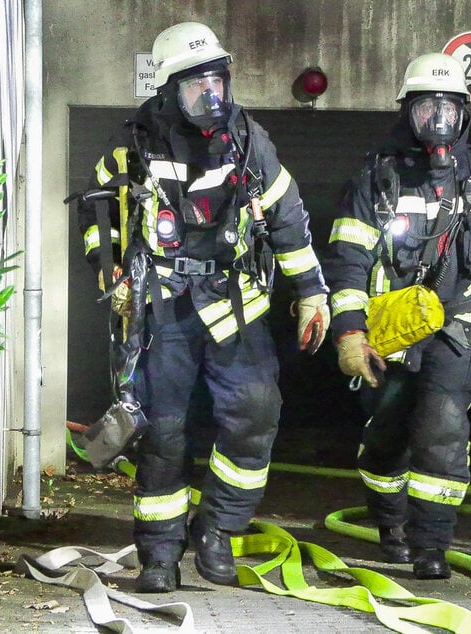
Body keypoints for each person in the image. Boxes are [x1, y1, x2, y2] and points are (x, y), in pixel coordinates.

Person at [77, 21, 330, 592]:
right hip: (162, 308)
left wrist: (313, 291)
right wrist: (109, 269)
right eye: (197, 88)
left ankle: (217, 530)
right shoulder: (133, 146)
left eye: (217, 83)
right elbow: (97, 218)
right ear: (169, 91)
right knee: (163, 434)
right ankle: (160, 558)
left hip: (235, 303)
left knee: (256, 414)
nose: (211, 97)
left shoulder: (249, 141)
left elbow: (288, 219)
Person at [322, 53, 471, 580]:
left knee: (443, 430)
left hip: (459, 330)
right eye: (427, 108)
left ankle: (431, 544)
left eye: (448, 108)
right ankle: (390, 523)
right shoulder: (376, 178)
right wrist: (351, 334)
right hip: (393, 332)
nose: (438, 120)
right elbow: (349, 261)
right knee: (387, 436)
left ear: (465, 112)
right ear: (408, 112)